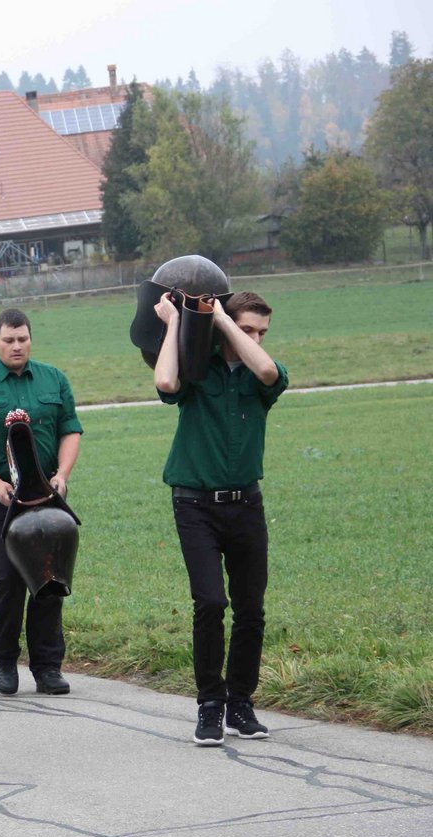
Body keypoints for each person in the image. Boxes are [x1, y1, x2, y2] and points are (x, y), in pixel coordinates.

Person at [153, 291, 288, 745]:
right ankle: (210, 706)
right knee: (210, 603)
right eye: (248, 328)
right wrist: (177, 322)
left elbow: (267, 369)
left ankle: (241, 705)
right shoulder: (198, 367)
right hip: (195, 506)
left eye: (261, 332)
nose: (255, 339)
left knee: (251, 609)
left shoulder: (261, 377)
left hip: (246, 504)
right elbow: (167, 382)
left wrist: (225, 323)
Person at [0, 309, 81, 698]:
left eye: (22, 339)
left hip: (45, 492)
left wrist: (63, 473)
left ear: (30, 339)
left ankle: (47, 667)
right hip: (1, 498)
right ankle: (5, 660)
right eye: (8, 339)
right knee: (8, 578)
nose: (16, 346)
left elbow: (70, 429)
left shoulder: (53, 379)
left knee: (49, 577)